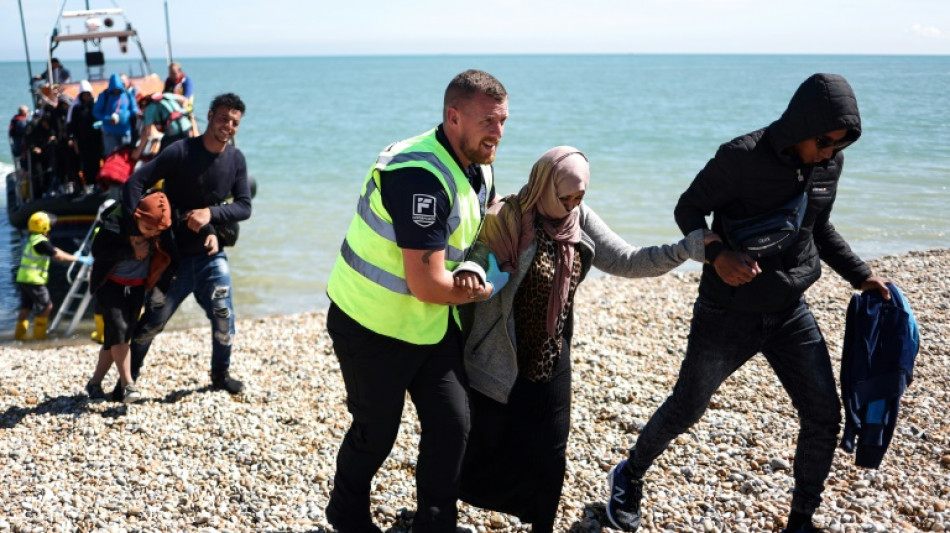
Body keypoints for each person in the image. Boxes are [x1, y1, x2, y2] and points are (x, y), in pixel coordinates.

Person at [606, 73, 892, 533]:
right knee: (686, 408)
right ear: (803, 123)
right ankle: (629, 475)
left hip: (789, 310)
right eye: (824, 141)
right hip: (727, 311)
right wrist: (718, 255)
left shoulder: (827, 166)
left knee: (823, 415)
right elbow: (687, 209)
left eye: (840, 146)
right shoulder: (740, 156)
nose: (829, 153)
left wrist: (863, 276)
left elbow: (818, 228)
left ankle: (800, 522)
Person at [457, 147, 710, 532]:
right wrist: (472, 272)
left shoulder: (579, 220)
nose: (572, 206)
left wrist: (683, 251)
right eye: (565, 198)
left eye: (580, 197)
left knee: (552, 448)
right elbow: (478, 257)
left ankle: (542, 524)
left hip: (551, 353)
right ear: (544, 184)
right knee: (486, 443)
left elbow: (626, 260)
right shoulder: (508, 215)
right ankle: (440, 504)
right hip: (501, 355)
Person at [324, 69, 507, 533]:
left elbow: (481, 213)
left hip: (429, 324)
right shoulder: (417, 175)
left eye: (503, 121)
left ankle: (435, 521)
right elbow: (427, 284)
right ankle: (345, 514)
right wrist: (488, 288)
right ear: (453, 117)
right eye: (488, 121)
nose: (498, 133)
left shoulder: (475, 159)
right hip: (370, 324)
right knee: (375, 434)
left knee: (453, 425)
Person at [121, 93, 251, 399]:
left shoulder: (236, 159)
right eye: (223, 118)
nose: (228, 126)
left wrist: (212, 215)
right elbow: (135, 183)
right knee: (151, 325)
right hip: (172, 258)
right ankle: (128, 381)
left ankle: (220, 376)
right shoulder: (180, 151)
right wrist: (135, 232)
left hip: (210, 255)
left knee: (224, 320)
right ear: (209, 116)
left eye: (234, 122)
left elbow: (244, 206)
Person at [84, 192, 172, 403]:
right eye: (148, 229)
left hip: (136, 288)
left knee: (115, 338)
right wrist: (130, 252)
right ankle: (128, 385)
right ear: (137, 216)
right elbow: (99, 250)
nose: (151, 234)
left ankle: (94, 383)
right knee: (120, 331)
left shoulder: (156, 233)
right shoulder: (116, 224)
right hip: (110, 285)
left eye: (156, 231)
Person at [14, 211, 91, 340]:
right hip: (34, 280)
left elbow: (54, 249)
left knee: (25, 308)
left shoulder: (34, 239)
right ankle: (39, 337)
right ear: (44, 226)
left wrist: (73, 255)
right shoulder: (41, 242)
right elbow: (58, 256)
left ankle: (18, 337)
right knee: (46, 306)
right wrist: (77, 259)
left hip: (23, 278)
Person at [131, 92, 194, 160]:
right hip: (187, 127)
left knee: (163, 157)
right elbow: (184, 99)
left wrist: (138, 151)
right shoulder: (166, 96)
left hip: (173, 134)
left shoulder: (149, 109)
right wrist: (181, 110)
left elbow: (146, 133)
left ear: (143, 105)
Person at [66, 80, 104, 186]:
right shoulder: (77, 109)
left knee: (96, 161)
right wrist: (73, 139)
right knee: (86, 163)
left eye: (88, 94)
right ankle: (89, 183)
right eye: (84, 95)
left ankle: (98, 183)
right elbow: (72, 125)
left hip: (96, 140)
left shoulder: (95, 106)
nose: (86, 97)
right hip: (82, 141)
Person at [93, 73, 139, 156]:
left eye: (117, 89)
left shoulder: (128, 94)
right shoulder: (104, 95)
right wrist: (108, 119)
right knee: (111, 157)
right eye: (114, 90)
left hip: (125, 132)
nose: (116, 91)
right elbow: (96, 112)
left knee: (125, 157)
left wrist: (124, 115)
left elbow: (134, 110)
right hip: (110, 133)